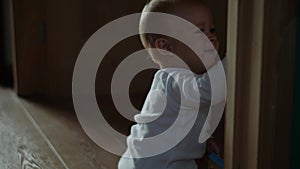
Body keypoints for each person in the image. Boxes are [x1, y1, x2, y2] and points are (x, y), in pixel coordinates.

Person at [118, 0, 225, 168]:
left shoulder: (175, 80)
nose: (211, 37)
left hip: (140, 160)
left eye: (211, 29)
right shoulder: (173, 79)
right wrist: (234, 60)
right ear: (166, 47)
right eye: (200, 31)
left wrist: (202, 141)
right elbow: (209, 89)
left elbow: (184, 122)